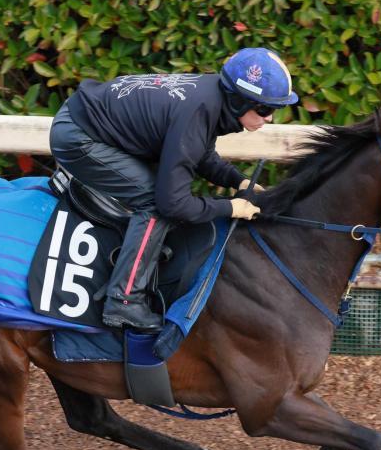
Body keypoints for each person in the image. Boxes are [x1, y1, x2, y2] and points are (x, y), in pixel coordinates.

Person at [49, 47, 299, 331]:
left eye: (275, 110)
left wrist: (237, 181)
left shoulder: (211, 95)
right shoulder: (198, 110)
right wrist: (230, 207)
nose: (270, 119)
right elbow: (172, 204)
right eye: (265, 109)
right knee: (153, 202)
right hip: (78, 137)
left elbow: (198, 152)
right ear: (239, 102)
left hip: (88, 120)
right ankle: (123, 301)